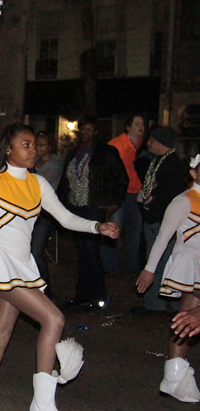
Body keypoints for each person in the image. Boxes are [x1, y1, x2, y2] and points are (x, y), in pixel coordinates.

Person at [0, 124, 119, 411]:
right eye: (25, 144)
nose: (33, 149)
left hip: (22, 266)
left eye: (34, 144)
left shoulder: (38, 183)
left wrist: (96, 227)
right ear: (8, 150)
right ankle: (43, 404)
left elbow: (65, 218)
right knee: (54, 318)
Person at [135, 154, 200, 403]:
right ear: (193, 173)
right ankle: (174, 374)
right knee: (187, 317)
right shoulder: (184, 201)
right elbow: (163, 237)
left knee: (188, 318)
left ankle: (174, 374)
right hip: (189, 263)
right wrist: (149, 269)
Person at [61, 116, 127, 308]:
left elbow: (121, 178)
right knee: (82, 251)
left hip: (94, 206)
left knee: (91, 251)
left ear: (96, 132)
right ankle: (82, 294)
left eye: (90, 130)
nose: (86, 133)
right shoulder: (73, 153)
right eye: (83, 129)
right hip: (75, 207)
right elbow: (65, 182)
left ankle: (98, 295)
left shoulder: (106, 152)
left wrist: (113, 203)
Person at [135, 126, 186, 314]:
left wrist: (155, 213)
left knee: (162, 261)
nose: (148, 143)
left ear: (160, 142)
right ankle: (158, 301)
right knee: (156, 258)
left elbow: (169, 195)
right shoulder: (157, 160)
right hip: (153, 217)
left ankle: (162, 302)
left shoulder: (171, 164)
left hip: (162, 220)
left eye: (152, 140)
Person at [103, 114, 145, 273]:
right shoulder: (118, 145)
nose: (140, 127)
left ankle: (132, 266)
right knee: (114, 229)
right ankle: (109, 265)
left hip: (134, 192)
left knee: (134, 230)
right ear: (128, 127)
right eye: (137, 124)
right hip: (119, 193)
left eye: (142, 124)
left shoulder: (140, 145)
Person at [30, 131, 64, 290]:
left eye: (42, 145)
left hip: (45, 214)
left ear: (50, 146)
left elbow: (40, 186)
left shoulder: (56, 164)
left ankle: (46, 290)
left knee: (36, 253)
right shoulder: (33, 161)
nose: (38, 148)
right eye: (36, 145)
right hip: (30, 212)